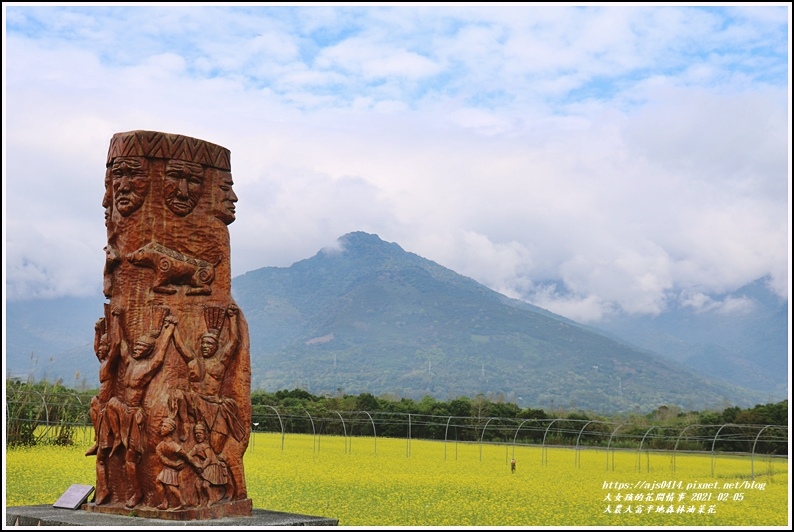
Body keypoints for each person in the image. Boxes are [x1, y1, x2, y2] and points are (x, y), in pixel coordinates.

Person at [106, 307, 176, 508]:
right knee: (110, 404)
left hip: (135, 415)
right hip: (123, 412)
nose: (137, 348)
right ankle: (114, 439)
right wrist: (117, 319)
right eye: (137, 345)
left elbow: (161, 353)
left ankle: (137, 492)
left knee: (131, 458)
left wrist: (169, 330)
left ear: (147, 351)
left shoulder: (147, 367)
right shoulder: (129, 363)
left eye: (142, 347)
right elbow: (121, 346)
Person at [187, 422, 233, 507]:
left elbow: (208, 459)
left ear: (205, 434)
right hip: (206, 468)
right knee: (197, 484)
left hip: (212, 467)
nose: (198, 435)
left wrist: (202, 467)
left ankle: (211, 499)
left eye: (200, 433)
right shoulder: (196, 447)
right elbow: (189, 455)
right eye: (196, 433)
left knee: (205, 485)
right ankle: (200, 502)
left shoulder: (205, 446)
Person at [155, 418, 188, 510]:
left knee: (171, 487)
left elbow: (186, 456)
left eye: (164, 426)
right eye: (162, 426)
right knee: (161, 482)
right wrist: (175, 464)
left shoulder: (175, 446)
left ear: (171, 429)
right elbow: (163, 459)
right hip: (169, 467)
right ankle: (165, 502)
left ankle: (180, 501)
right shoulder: (160, 446)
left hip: (170, 470)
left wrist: (196, 464)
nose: (162, 428)